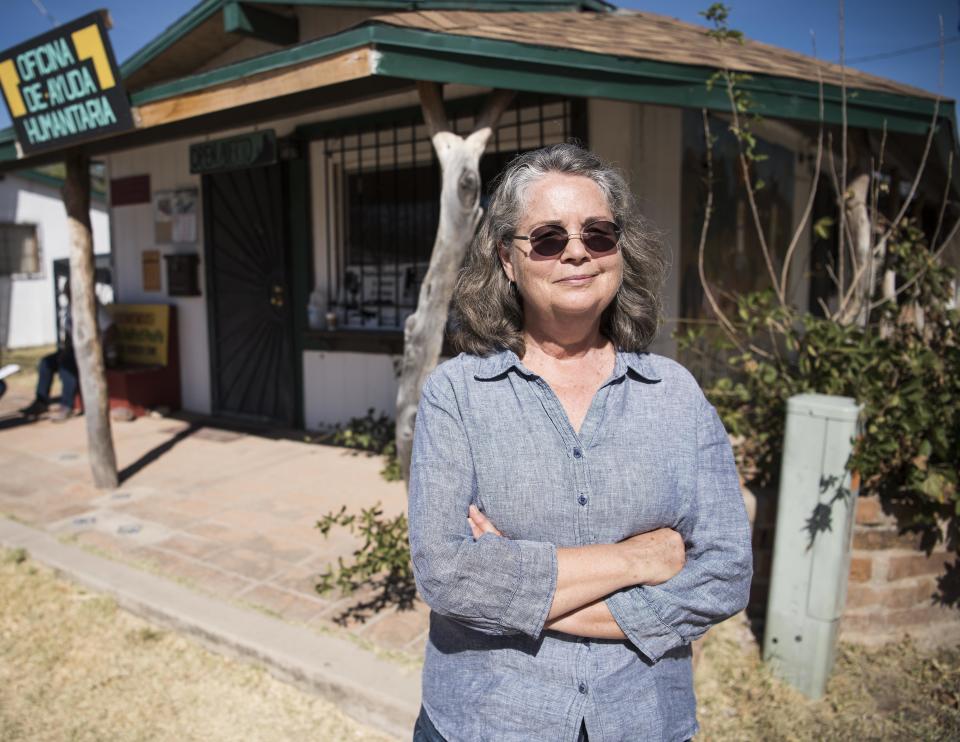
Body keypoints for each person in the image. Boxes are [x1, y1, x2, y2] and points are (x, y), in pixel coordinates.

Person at [408, 143, 753, 742]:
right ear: (507, 261)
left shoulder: (675, 393)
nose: (577, 251)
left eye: (599, 234)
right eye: (547, 237)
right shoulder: (456, 395)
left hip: (643, 720)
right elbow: (446, 573)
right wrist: (640, 560)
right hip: (488, 722)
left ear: (620, 252)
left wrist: (516, 585)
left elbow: (724, 573)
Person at [21, 281, 115, 422]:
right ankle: (41, 401)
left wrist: (98, 349)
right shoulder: (71, 308)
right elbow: (69, 333)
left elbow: (112, 329)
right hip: (75, 351)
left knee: (67, 364)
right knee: (46, 363)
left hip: (97, 353)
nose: (67, 294)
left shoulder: (93, 307)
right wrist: (65, 350)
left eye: (69, 291)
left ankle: (67, 405)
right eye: (66, 291)